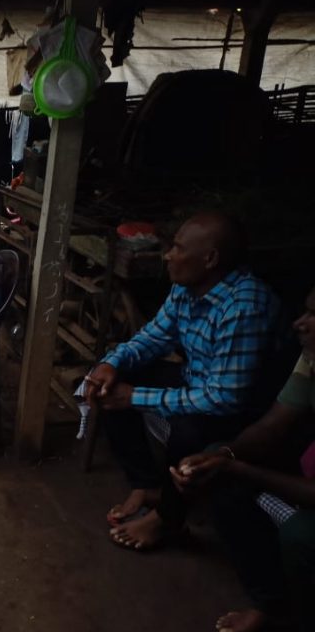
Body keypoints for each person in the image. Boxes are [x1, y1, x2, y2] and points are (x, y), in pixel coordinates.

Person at [84, 212, 290, 550]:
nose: (168, 255)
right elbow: (152, 338)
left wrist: (134, 396)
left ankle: (169, 520)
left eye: (178, 248)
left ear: (210, 259)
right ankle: (148, 483)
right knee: (113, 381)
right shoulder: (186, 289)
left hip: (247, 410)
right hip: (198, 382)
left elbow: (224, 398)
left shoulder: (244, 306)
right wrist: (110, 363)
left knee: (188, 428)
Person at [171, 287, 315, 632]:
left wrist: (237, 466)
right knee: (216, 462)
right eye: (305, 311)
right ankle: (271, 604)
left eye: (314, 317)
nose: (299, 323)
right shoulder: (310, 358)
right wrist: (224, 456)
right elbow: (274, 424)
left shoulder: (244, 305)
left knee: (303, 535)